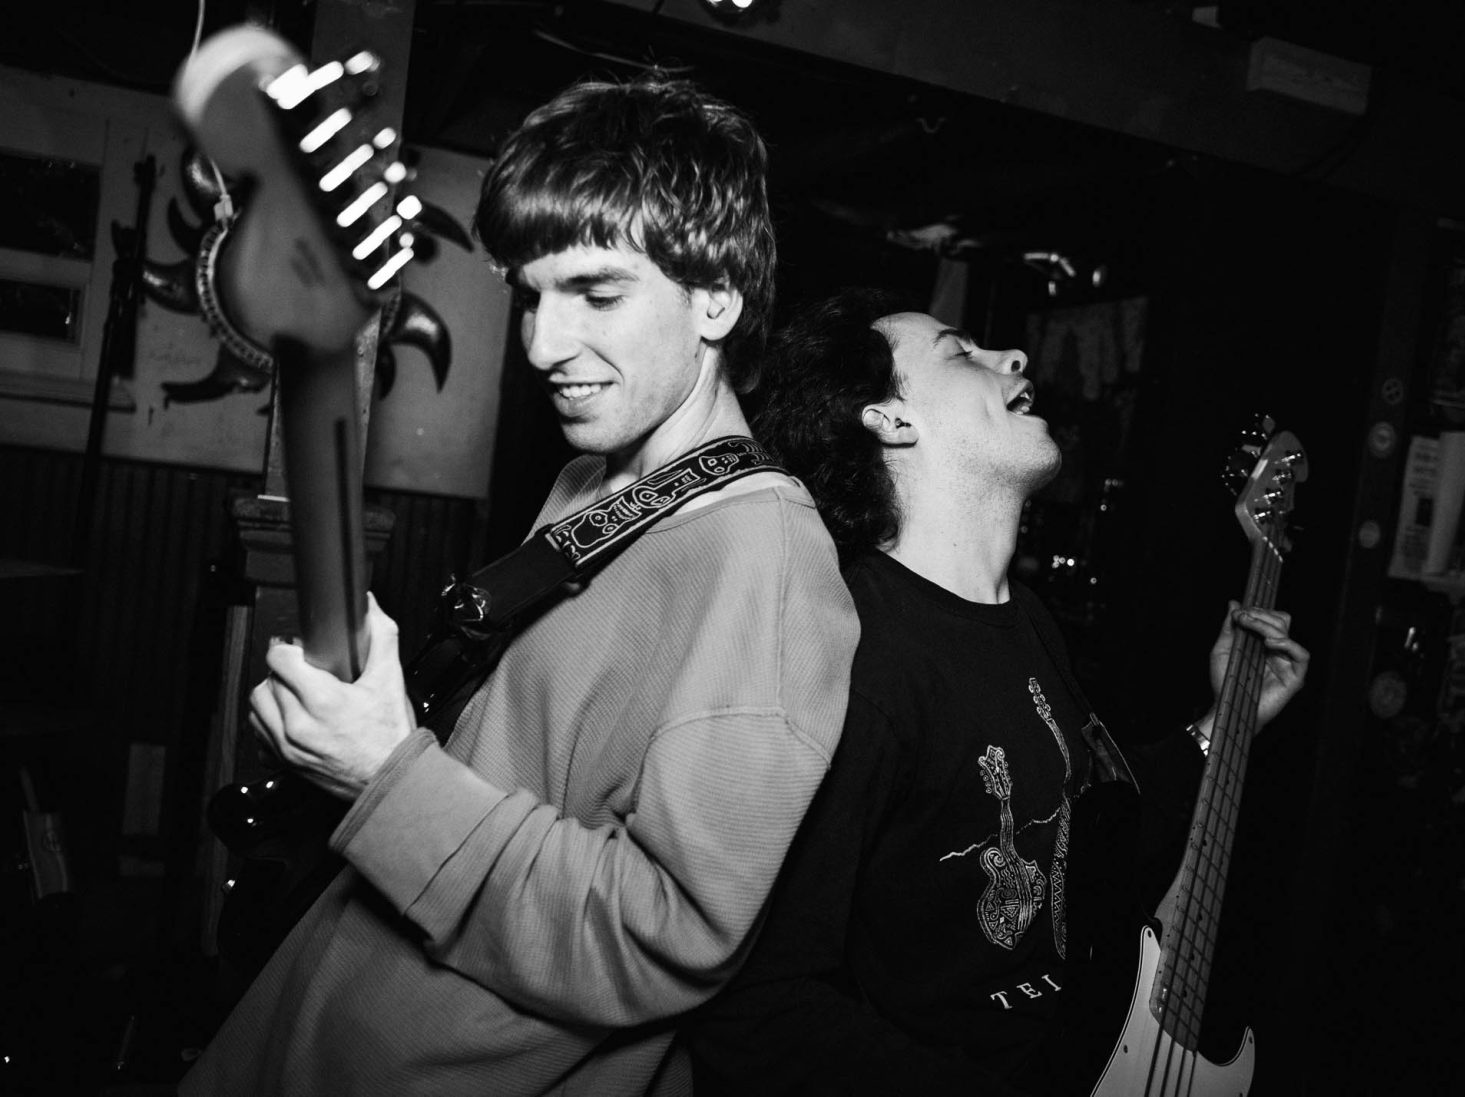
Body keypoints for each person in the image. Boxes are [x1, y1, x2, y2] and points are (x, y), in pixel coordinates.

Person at [180, 77, 859, 1096]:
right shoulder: (603, 479)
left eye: (597, 292)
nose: (541, 344)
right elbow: (530, 765)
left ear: (717, 294)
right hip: (344, 1023)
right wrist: (378, 711)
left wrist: (385, 774)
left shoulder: (766, 562)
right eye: (530, 293)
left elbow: (663, 936)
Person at [686, 288, 1310, 1094]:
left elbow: (1083, 849)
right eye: (959, 352)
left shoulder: (1028, 621)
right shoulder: (858, 656)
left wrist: (1224, 722)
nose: (1012, 359)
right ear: (889, 420)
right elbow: (762, 1006)